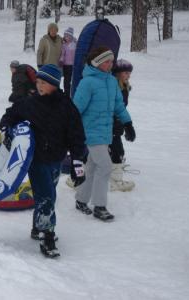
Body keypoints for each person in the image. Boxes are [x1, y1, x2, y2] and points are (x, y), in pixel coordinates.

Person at [0, 64, 86, 258]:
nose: (39, 86)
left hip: (56, 158)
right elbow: (10, 115)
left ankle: (37, 227)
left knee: (47, 194)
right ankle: (47, 234)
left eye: (44, 83)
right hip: (36, 159)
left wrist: (78, 163)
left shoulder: (66, 106)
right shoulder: (30, 103)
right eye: (38, 82)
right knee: (47, 196)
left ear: (55, 84)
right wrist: (7, 129)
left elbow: (76, 136)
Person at [73, 47, 136, 222]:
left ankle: (81, 199)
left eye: (111, 61)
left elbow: (118, 106)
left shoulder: (110, 81)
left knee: (92, 168)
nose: (110, 64)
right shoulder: (88, 83)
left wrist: (128, 123)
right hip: (91, 132)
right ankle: (100, 206)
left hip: (105, 132)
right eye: (107, 61)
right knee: (105, 166)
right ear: (97, 62)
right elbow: (75, 109)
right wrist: (71, 130)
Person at [109, 59, 135, 192]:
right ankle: (115, 181)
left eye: (129, 73)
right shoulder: (114, 87)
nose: (128, 75)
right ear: (118, 73)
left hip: (117, 124)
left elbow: (122, 108)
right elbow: (114, 108)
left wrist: (126, 124)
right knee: (117, 151)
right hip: (110, 125)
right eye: (126, 72)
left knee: (114, 151)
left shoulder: (124, 86)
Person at [59, 27, 76, 97]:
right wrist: (61, 60)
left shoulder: (75, 44)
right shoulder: (64, 45)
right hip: (66, 65)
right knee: (66, 80)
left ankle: (73, 92)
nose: (66, 37)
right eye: (65, 36)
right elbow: (62, 53)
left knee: (73, 79)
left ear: (71, 36)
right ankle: (66, 94)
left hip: (73, 65)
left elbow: (77, 54)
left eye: (68, 36)